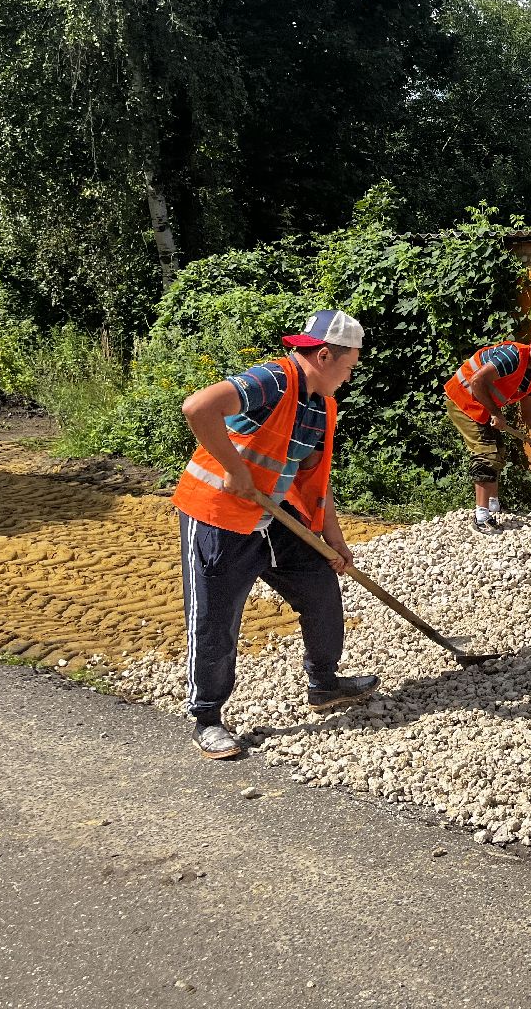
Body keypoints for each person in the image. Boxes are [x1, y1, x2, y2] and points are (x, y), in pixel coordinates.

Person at [173, 309, 379, 760]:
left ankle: (324, 683)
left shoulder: (322, 406)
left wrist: (334, 541)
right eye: (348, 367)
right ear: (324, 356)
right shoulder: (274, 379)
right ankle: (207, 718)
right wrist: (234, 469)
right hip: (218, 517)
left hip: (275, 518)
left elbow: (314, 482)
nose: (349, 377)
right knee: (215, 618)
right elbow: (198, 407)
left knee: (321, 588)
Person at [444, 330, 531, 533]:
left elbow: (530, 412)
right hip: (463, 400)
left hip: (481, 407)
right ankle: (481, 517)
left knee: (498, 451)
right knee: (486, 454)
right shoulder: (512, 356)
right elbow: (476, 381)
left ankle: (492, 507)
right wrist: (496, 412)